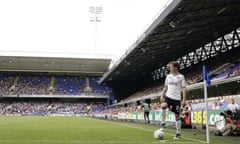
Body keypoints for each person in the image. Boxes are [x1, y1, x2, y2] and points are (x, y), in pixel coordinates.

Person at [160, 61, 186, 139]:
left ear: (175, 67)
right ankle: (163, 122)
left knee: (177, 117)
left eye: (170, 67)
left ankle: (178, 133)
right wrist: (162, 94)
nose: (169, 68)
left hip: (177, 99)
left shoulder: (181, 77)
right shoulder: (168, 76)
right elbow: (165, 87)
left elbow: (184, 88)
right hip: (168, 97)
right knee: (163, 105)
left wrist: (184, 99)